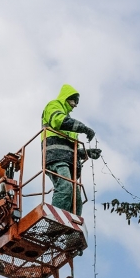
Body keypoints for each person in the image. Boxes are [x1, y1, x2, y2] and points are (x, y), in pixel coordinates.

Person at [41, 84, 101, 214]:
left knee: (76, 199)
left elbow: (71, 150)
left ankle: (72, 226)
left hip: (67, 162)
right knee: (65, 187)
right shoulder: (54, 105)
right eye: (75, 101)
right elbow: (58, 121)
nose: (76, 105)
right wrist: (84, 128)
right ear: (67, 98)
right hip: (55, 158)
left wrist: (86, 153)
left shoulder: (71, 127)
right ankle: (55, 220)